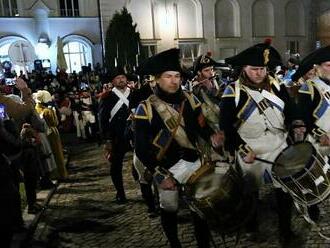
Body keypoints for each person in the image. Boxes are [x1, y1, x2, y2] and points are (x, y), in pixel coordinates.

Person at [134, 48, 223, 248]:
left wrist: (212, 136)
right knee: (170, 207)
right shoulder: (145, 108)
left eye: (177, 76)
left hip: (194, 161)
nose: (174, 81)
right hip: (166, 166)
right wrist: (160, 175)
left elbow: (201, 127)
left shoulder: (190, 99)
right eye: (168, 76)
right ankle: (174, 243)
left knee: (200, 208)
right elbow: (141, 149)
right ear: (157, 79)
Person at [221, 43, 297, 244]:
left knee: (285, 189)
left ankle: (285, 230)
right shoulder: (233, 91)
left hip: (278, 143)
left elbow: (290, 110)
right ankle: (252, 226)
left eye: (262, 69)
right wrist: (242, 148)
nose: (259, 73)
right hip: (249, 146)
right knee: (250, 191)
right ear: (244, 69)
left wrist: (296, 124)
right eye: (254, 69)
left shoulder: (276, 85)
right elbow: (226, 125)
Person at [294, 46, 330, 222]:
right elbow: (303, 119)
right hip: (319, 141)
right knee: (316, 178)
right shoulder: (309, 88)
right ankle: (313, 208)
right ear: (318, 67)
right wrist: (319, 134)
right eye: (328, 65)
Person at [99, 67, 131, 204]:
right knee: (116, 166)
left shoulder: (134, 94)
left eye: (123, 77)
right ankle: (120, 192)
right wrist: (107, 139)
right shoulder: (107, 97)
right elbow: (103, 119)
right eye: (118, 78)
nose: (121, 79)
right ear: (113, 81)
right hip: (117, 136)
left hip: (134, 134)